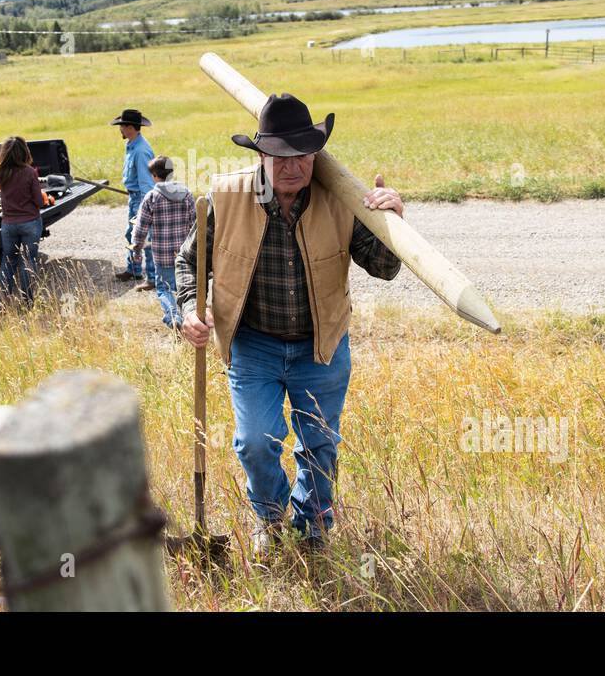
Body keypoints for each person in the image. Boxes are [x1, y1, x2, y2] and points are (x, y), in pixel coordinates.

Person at [175, 93, 404, 555]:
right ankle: (271, 518)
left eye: (302, 154)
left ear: (316, 154)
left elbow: (385, 267)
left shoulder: (341, 199)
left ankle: (314, 527)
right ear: (261, 155)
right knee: (255, 444)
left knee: (319, 444)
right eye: (279, 155)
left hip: (319, 346)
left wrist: (391, 221)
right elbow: (188, 262)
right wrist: (188, 309)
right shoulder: (228, 195)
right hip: (253, 345)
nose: (291, 165)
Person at [129, 156, 196, 331]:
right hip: (183, 253)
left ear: (154, 176)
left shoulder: (152, 197)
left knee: (163, 289)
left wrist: (136, 249)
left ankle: (173, 317)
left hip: (162, 254)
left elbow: (141, 227)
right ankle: (185, 316)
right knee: (183, 287)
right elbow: (194, 223)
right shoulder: (187, 194)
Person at [0, 136, 45, 304]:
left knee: (9, 261)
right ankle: (27, 301)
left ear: (4, 154)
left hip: (9, 225)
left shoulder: (0, 171)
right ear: (24, 152)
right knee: (28, 261)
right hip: (30, 223)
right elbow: (39, 201)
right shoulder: (29, 172)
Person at [111, 107, 157, 291]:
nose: (120, 129)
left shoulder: (140, 151)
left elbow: (147, 183)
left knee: (143, 238)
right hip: (134, 197)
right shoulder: (131, 145)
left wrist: (145, 207)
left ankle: (152, 277)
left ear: (130, 127)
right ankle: (134, 269)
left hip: (141, 199)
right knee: (131, 235)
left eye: (122, 126)